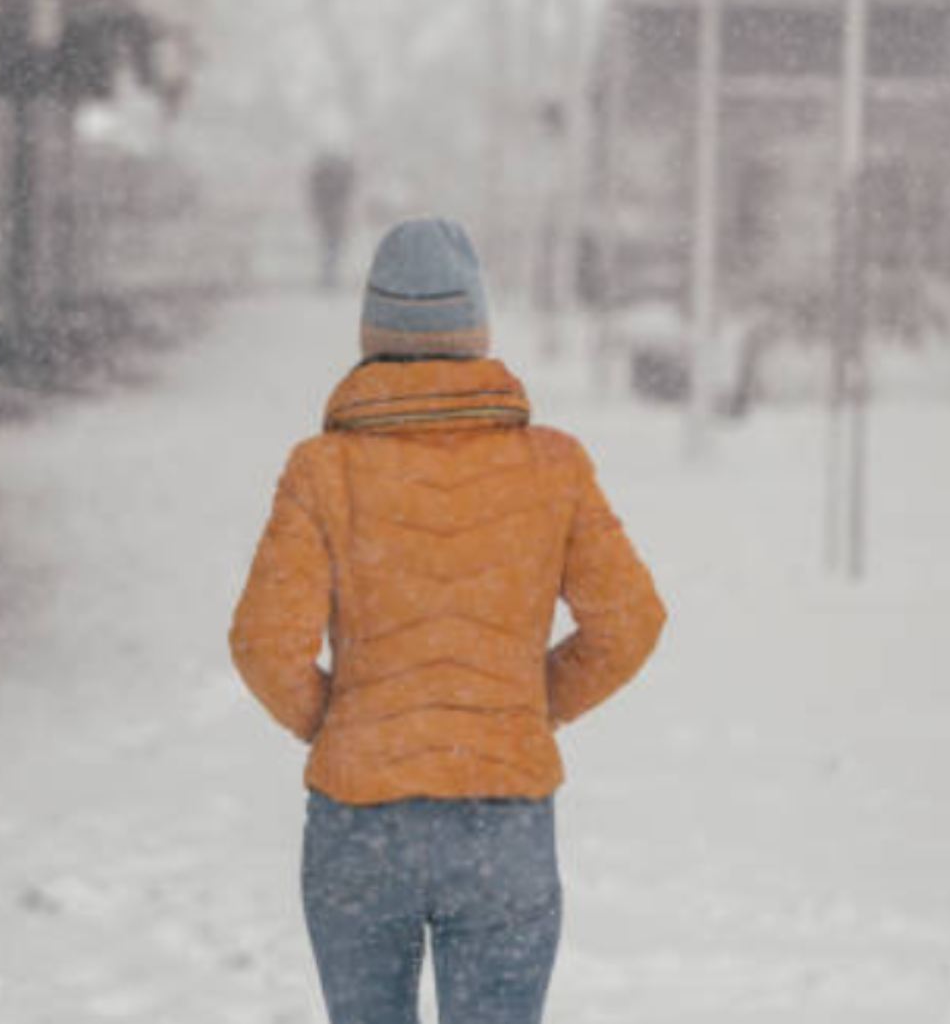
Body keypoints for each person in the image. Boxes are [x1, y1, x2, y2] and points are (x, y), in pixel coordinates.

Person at [229, 217, 665, 1024]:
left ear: (373, 332)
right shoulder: (552, 465)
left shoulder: (321, 471)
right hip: (502, 820)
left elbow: (263, 644)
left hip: (359, 827)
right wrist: (525, 707)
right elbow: (630, 622)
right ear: (476, 331)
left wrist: (345, 723)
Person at [307, 150, 357, 289]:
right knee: (332, 246)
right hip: (334, 215)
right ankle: (329, 276)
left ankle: (329, 276)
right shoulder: (340, 174)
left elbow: (315, 194)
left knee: (330, 247)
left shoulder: (322, 174)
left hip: (329, 215)